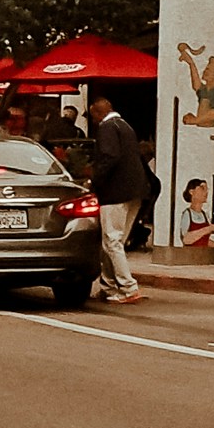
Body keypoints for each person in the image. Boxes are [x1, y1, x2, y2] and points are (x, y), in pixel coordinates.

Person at [83, 91, 145, 304]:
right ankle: (108, 285)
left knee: (111, 241)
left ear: (99, 113)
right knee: (115, 241)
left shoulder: (107, 128)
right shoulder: (125, 126)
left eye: (93, 117)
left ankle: (128, 288)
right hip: (134, 191)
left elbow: (110, 156)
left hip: (114, 192)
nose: (93, 121)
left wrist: (94, 180)